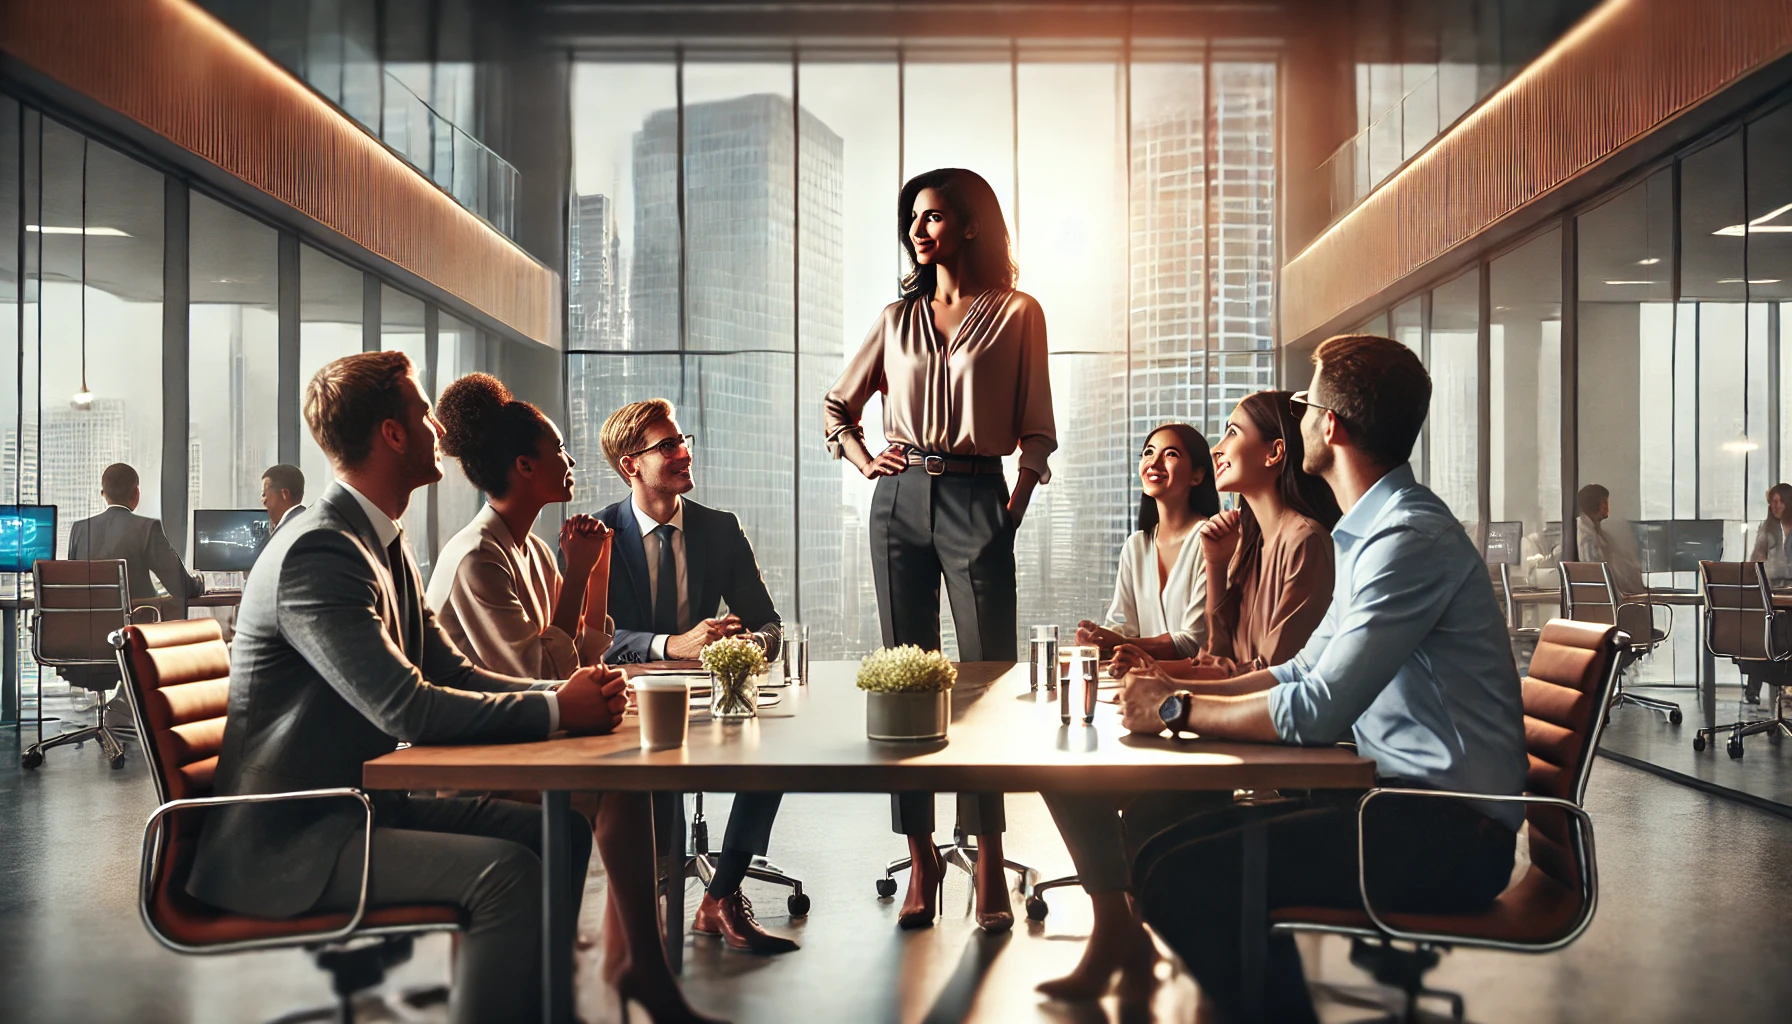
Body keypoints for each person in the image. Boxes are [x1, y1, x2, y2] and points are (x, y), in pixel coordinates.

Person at [183, 351, 666, 1024]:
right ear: (392, 433)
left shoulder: (381, 542)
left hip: (358, 810)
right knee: (508, 875)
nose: (439, 427)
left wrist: (563, 703)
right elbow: (406, 706)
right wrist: (558, 706)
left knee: (556, 834)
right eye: (422, 413)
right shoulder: (321, 551)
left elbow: (453, 673)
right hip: (296, 840)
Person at [1110, 335, 1526, 1023]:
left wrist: (1177, 709)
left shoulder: (1406, 540)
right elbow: (1301, 669)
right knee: (1159, 843)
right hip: (1394, 804)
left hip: (1451, 833)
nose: (1298, 412)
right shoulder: (1370, 533)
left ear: (1330, 427)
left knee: (1182, 879)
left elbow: (1319, 708)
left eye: (1305, 403)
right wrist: (1180, 696)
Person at [426, 375, 720, 1014]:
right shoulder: (478, 557)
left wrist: (597, 570)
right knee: (621, 785)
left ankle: (635, 963)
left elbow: (583, 659)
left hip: (522, 738)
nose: (570, 461)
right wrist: (581, 573)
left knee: (631, 783)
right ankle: (630, 969)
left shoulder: (530, 548)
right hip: (473, 759)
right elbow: (540, 673)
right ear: (524, 466)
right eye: (558, 450)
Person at [1037, 393, 1339, 1002]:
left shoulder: (1304, 542)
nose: (1220, 446)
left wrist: (1174, 690)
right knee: (1063, 773)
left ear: (1274, 454)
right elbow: (1222, 656)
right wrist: (1218, 568)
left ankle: (1128, 937)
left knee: (1123, 805)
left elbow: (1277, 674)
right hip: (1225, 723)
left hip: (1260, 745)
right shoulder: (1248, 540)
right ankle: (1120, 933)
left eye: (1231, 434)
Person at [822, 167, 1056, 933]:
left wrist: (1011, 509)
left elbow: (1036, 427)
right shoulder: (897, 319)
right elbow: (838, 406)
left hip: (977, 495)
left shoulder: (1019, 313)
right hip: (898, 502)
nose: (918, 230)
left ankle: (988, 859)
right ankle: (920, 857)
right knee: (906, 682)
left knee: (986, 680)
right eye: (913, 219)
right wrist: (866, 462)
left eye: (933, 217)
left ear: (971, 224)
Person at [593, 398, 797, 957]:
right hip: (633, 704)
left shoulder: (719, 530)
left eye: (683, 440)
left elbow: (770, 624)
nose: (684, 452)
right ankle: (649, 915)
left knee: (776, 754)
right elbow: (588, 638)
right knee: (657, 778)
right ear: (631, 465)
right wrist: (670, 645)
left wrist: (747, 646)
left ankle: (721, 894)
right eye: (667, 446)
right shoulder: (599, 535)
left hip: (711, 696)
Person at [1072, 423, 1220, 662]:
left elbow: (1194, 642)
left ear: (1197, 475)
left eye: (1171, 454)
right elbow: (1123, 625)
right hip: (1143, 679)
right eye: (1148, 452)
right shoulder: (1136, 546)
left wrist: (1120, 642)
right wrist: (1099, 637)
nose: (1154, 462)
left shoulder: (1212, 539)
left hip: (1194, 681)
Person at [68, 462, 204, 618]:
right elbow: (180, 586)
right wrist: (198, 581)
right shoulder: (147, 528)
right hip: (136, 628)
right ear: (136, 493)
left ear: (103, 494)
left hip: (88, 627)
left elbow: (74, 588)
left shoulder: (79, 530)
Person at [1575, 483, 1644, 595]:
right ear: (1593, 504)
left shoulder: (1597, 533)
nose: (1607, 507)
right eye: (1604, 502)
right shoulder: (1585, 535)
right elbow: (1597, 571)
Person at [1750, 482, 1792, 588]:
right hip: (1771, 587)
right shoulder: (1767, 529)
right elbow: (1756, 561)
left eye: (1781, 501)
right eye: (1773, 501)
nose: (1776, 506)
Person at [260, 463, 306, 534]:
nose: (263, 501)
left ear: (285, 494)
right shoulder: (308, 521)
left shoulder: (289, 532)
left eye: (264, 495)